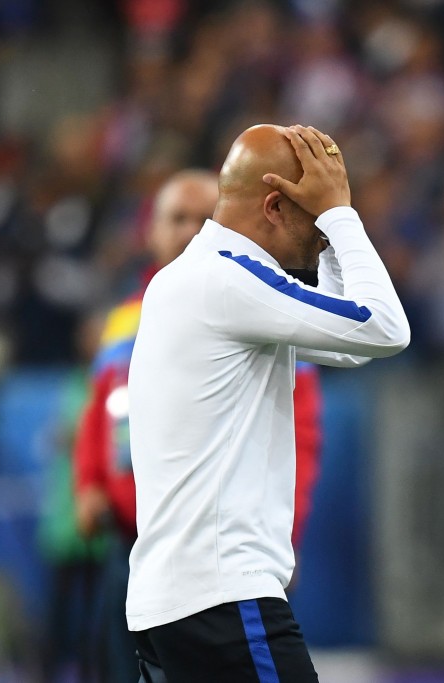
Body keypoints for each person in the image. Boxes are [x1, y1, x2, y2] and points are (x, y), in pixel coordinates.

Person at [126, 124, 410, 681]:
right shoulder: (229, 281)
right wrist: (342, 216)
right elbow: (384, 327)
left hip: (173, 601)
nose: (320, 235)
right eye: (314, 219)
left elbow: (350, 348)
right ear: (276, 205)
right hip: (222, 597)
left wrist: (326, 232)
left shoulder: (190, 279)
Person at [72, 169, 323, 682]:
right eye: (176, 218)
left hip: (216, 551)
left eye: (202, 218)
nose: (189, 230)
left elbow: (298, 434)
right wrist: (89, 483)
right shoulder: (125, 318)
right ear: (151, 231)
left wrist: (289, 530)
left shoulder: (263, 302)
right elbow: (100, 408)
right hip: (134, 542)